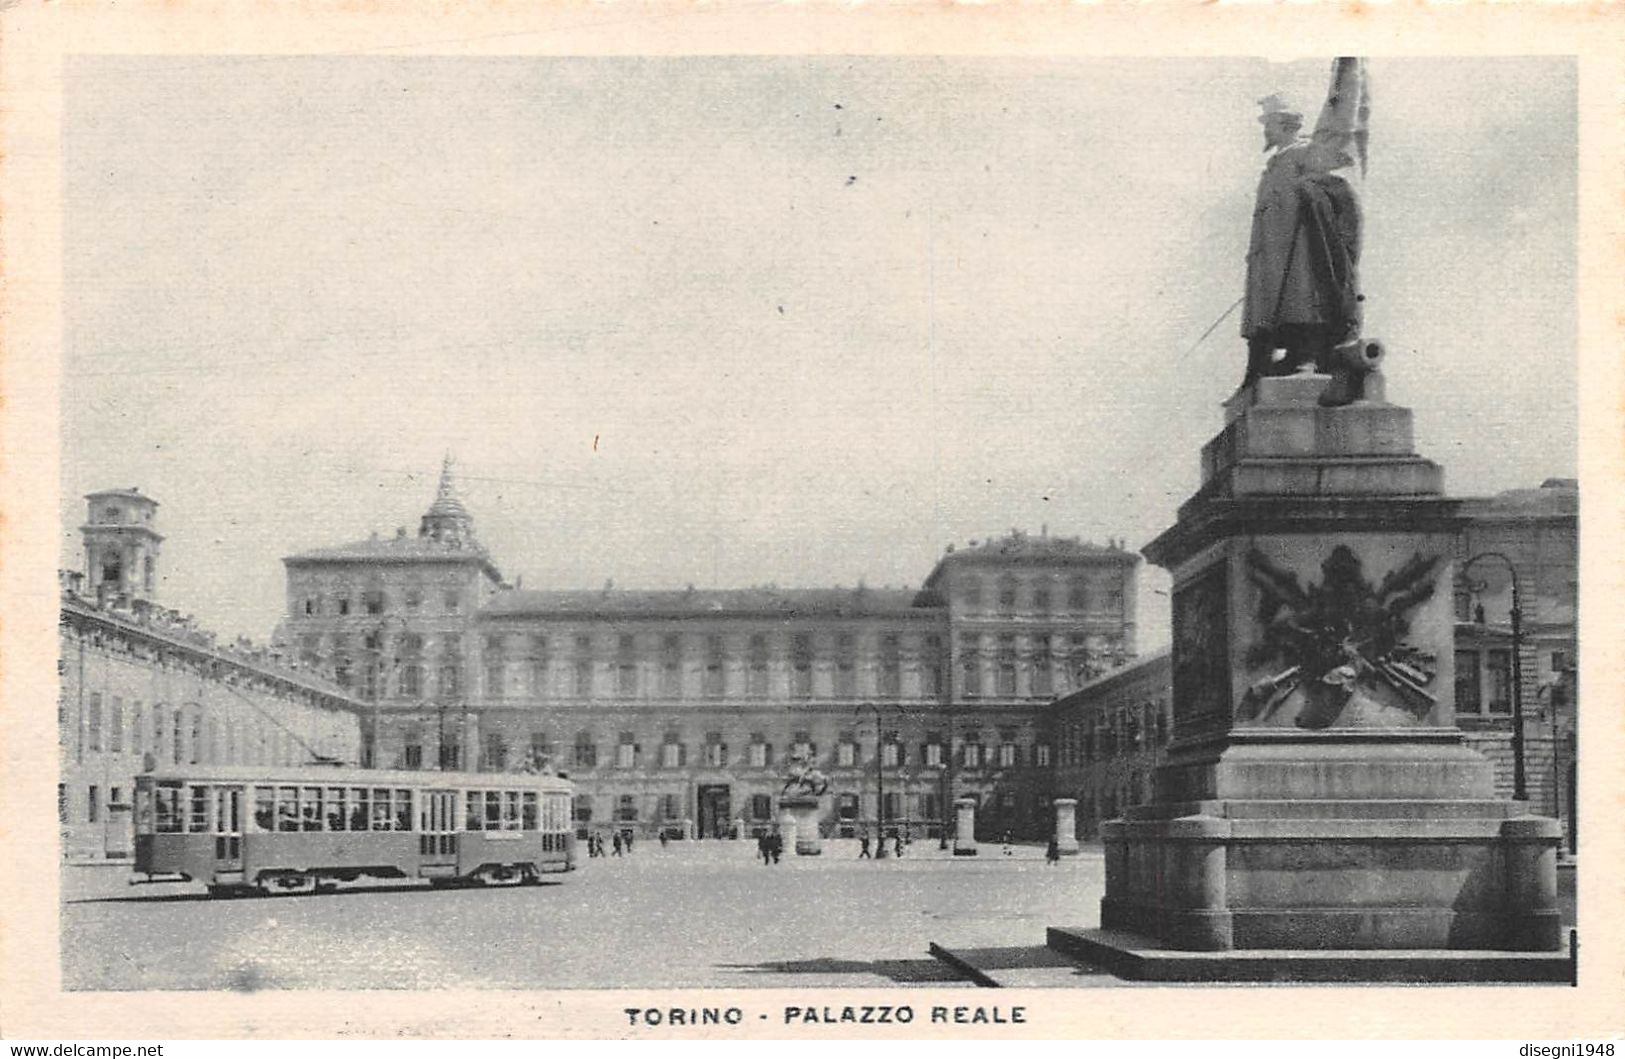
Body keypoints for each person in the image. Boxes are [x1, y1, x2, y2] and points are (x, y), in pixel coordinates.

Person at [1240, 68, 1366, 390]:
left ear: (1283, 123)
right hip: (1271, 255)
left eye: (1267, 123)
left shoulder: (1304, 153)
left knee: (1302, 299)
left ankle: (1306, 356)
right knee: (1271, 309)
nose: (1264, 129)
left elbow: (1336, 170)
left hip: (1300, 250)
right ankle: (1275, 360)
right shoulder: (1275, 163)